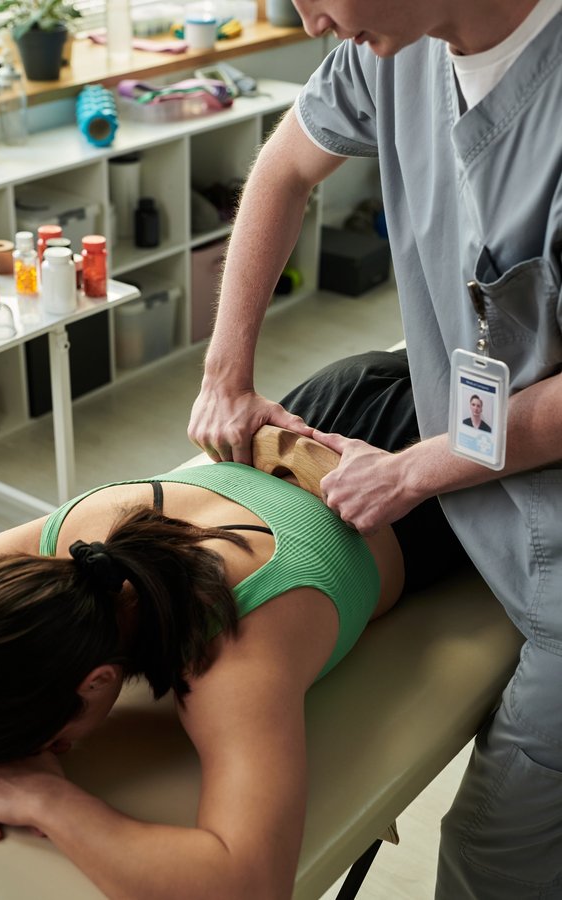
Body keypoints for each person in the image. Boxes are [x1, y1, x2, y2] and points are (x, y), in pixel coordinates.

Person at [187, 2, 562, 896]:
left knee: (492, 858)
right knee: (323, 412)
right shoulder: (394, 46)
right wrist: (225, 370)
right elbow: (282, 169)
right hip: (447, 431)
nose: (310, 18)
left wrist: (414, 471)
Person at [0, 353, 465, 900]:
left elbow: (249, 884)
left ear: (97, 681)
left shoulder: (227, 653)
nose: (54, 749)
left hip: (418, 492)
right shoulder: (70, 541)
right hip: (328, 400)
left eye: (53, 741)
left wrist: (43, 798)